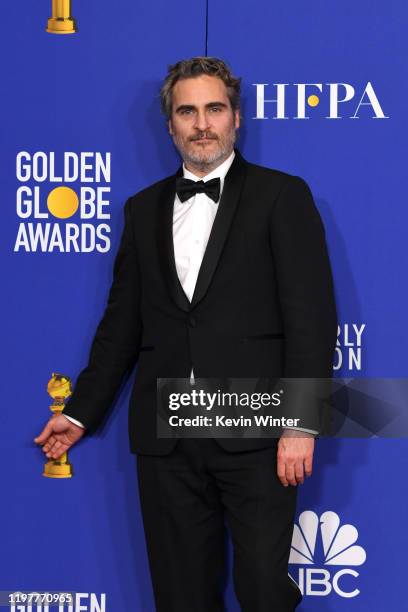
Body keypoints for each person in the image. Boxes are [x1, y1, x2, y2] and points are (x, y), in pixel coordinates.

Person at [34, 57, 337, 611]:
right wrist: (79, 412)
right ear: (170, 124)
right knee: (180, 598)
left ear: (236, 119)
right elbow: (122, 325)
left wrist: (302, 424)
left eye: (214, 109)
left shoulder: (281, 196)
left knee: (265, 592)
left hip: (258, 432)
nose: (202, 124)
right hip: (167, 442)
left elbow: (312, 319)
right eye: (187, 111)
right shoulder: (141, 209)